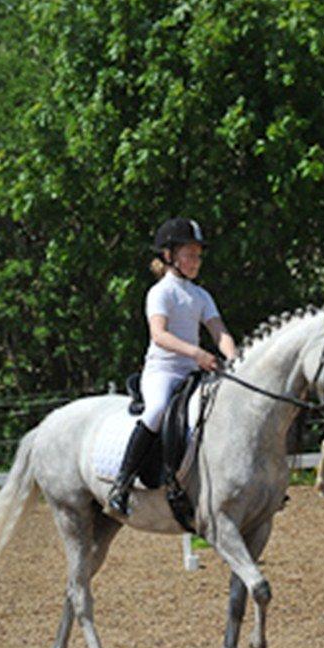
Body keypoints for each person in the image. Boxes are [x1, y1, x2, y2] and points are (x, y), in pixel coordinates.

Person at [107, 218, 237, 517]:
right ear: (169, 256)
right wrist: (197, 353)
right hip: (163, 371)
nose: (196, 261)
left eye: (198, 255)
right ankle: (121, 484)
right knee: (156, 411)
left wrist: (235, 361)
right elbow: (159, 335)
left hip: (193, 373)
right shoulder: (161, 292)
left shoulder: (201, 295)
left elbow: (220, 332)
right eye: (190, 254)